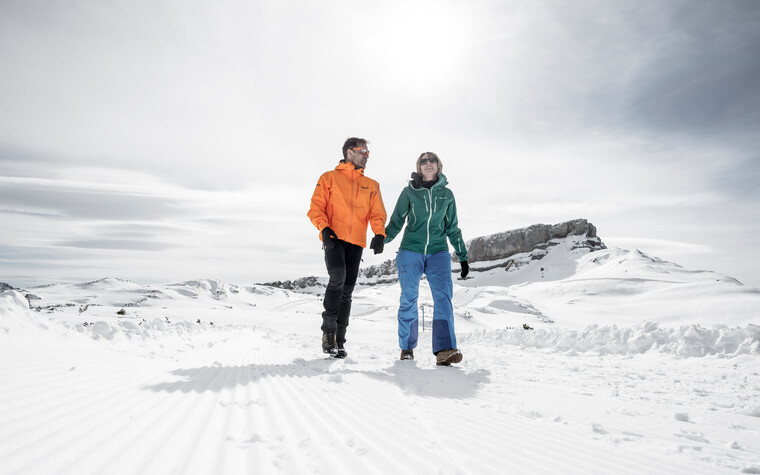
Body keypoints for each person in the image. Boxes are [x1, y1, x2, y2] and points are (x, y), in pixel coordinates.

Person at [384, 152, 469, 366]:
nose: (428, 163)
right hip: (410, 250)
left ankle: (444, 350)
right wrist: (382, 239)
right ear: (419, 167)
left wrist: (463, 256)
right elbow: (396, 221)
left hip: (438, 251)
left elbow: (452, 227)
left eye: (432, 160)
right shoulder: (409, 192)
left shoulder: (447, 195)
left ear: (438, 166)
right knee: (409, 298)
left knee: (443, 298)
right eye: (424, 161)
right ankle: (407, 348)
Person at [308, 137, 387, 358]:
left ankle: (340, 341)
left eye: (368, 153)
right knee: (337, 277)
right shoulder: (329, 178)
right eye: (364, 152)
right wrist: (323, 229)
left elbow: (377, 213)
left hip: (356, 242)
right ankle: (328, 334)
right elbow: (316, 208)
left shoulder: (372, 185)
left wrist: (379, 233)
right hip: (334, 238)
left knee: (347, 291)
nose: (367, 156)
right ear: (349, 152)